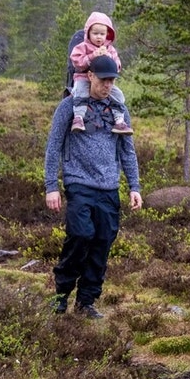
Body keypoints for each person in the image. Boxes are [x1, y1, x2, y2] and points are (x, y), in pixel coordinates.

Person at [43, 53, 141, 318]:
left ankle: (86, 301)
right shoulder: (70, 105)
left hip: (109, 188)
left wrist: (134, 186)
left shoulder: (119, 109)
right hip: (79, 184)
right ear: (90, 76)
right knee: (81, 235)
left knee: (102, 243)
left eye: (112, 80)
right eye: (103, 79)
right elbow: (53, 146)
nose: (107, 85)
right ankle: (61, 294)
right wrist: (51, 185)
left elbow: (127, 151)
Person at [66, 11, 123, 133]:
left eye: (102, 34)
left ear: (107, 34)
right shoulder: (83, 46)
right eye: (95, 33)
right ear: (88, 33)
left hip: (104, 79)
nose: (98, 37)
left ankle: (120, 120)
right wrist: (92, 56)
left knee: (118, 95)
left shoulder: (110, 49)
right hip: (83, 77)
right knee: (80, 93)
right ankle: (78, 118)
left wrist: (108, 58)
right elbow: (76, 61)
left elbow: (117, 66)